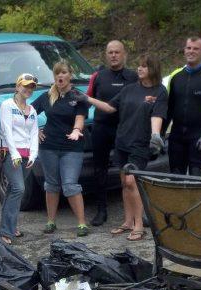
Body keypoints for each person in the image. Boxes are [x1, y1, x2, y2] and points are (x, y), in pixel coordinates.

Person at [83, 54, 168, 241]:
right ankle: (128, 221)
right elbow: (109, 107)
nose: (139, 69)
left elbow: (157, 116)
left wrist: (155, 135)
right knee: (124, 182)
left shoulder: (159, 91)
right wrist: (86, 99)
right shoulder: (129, 89)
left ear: (153, 69)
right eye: (139, 66)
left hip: (140, 144)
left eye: (144, 66)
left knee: (132, 182)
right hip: (122, 142)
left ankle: (139, 225)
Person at [32, 60, 89, 237]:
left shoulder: (77, 96)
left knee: (70, 185)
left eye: (63, 73)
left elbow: (80, 118)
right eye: (57, 73)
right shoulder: (47, 96)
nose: (60, 76)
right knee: (51, 184)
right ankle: (51, 221)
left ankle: (81, 223)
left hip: (72, 147)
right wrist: (35, 130)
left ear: (70, 75)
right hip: (48, 147)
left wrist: (76, 130)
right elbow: (27, 113)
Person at [86, 40, 137, 226]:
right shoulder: (98, 76)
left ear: (124, 54)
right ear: (106, 55)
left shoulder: (133, 77)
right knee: (100, 169)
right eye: (110, 52)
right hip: (101, 128)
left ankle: (135, 213)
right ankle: (101, 210)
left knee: (130, 171)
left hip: (124, 129)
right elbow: (87, 99)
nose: (114, 55)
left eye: (117, 52)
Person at [166, 36, 201, 176]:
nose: (191, 51)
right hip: (176, 137)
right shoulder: (175, 76)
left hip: (199, 137)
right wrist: (161, 134)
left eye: (196, 48)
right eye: (188, 48)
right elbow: (167, 108)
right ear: (184, 50)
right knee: (175, 178)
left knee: (195, 180)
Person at [0, 73, 39, 245]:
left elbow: (34, 132)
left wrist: (34, 154)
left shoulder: (32, 110)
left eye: (31, 87)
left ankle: (9, 225)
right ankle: (6, 231)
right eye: (25, 85)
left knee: (12, 191)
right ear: (17, 86)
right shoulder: (7, 105)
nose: (28, 89)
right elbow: (6, 131)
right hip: (10, 152)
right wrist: (14, 154)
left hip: (27, 154)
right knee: (18, 189)